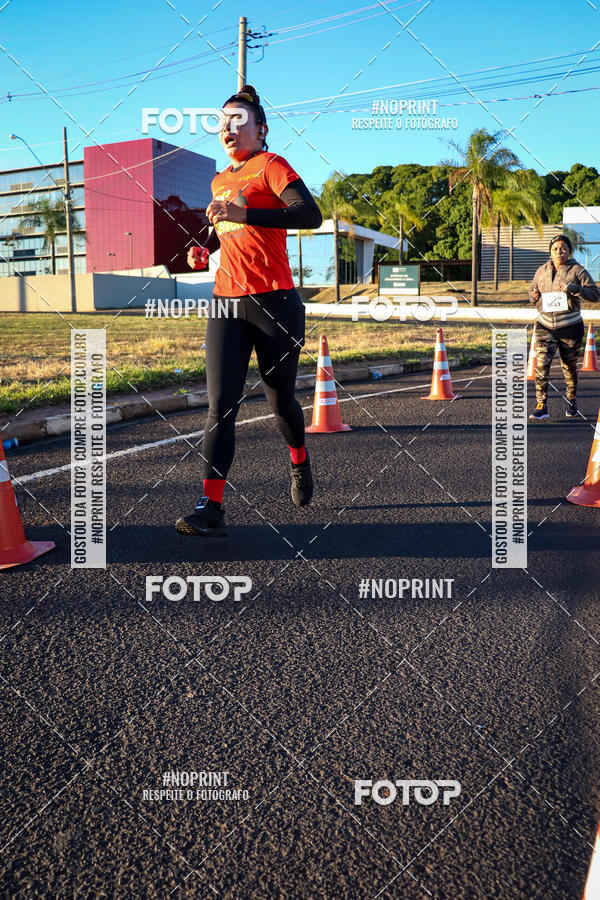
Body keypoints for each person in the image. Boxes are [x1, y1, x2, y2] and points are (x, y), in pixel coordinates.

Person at [176, 85, 322, 537]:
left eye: (239, 120)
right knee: (221, 405)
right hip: (226, 303)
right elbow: (225, 237)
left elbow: (308, 215)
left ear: (261, 130)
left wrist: (245, 214)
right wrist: (205, 248)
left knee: (280, 401)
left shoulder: (272, 166)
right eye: (223, 121)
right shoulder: (220, 181)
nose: (229, 127)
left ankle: (298, 459)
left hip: (275, 303)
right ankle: (211, 506)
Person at [528, 234, 600, 420]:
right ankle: (541, 405)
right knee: (542, 365)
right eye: (555, 249)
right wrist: (533, 296)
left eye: (563, 248)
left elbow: (595, 294)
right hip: (545, 325)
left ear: (569, 250)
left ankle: (571, 399)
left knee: (569, 368)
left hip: (570, 325)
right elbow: (532, 292)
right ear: (550, 252)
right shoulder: (541, 271)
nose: (559, 252)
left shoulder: (578, 270)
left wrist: (575, 289)